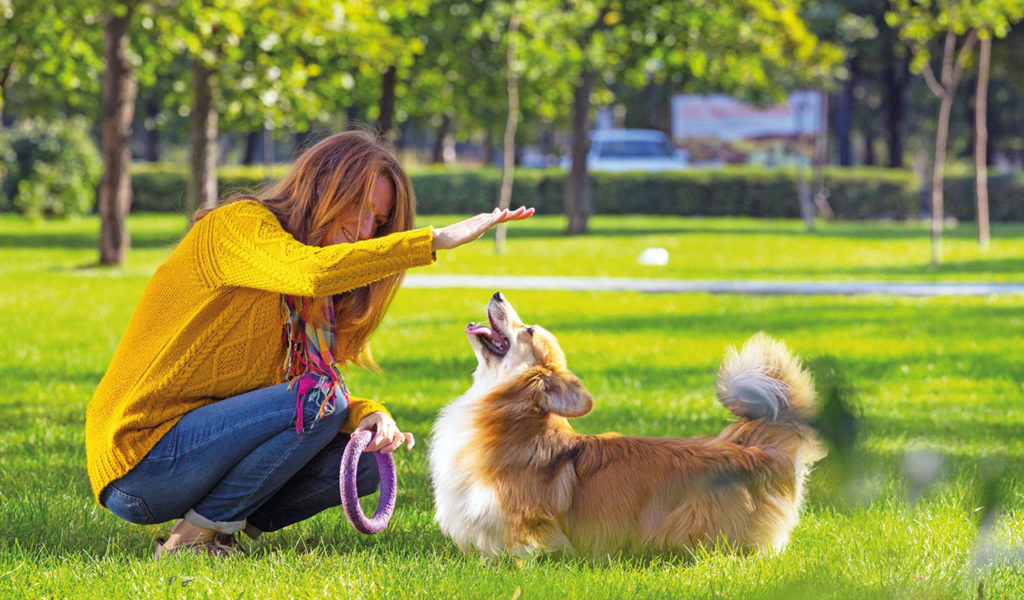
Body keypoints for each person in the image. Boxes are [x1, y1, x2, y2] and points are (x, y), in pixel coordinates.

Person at [85, 130, 533, 557]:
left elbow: (307, 388)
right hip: (141, 459)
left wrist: (370, 416)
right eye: (357, 207)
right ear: (321, 186)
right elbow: (311, 273)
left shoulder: (313, 302)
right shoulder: (238, 226)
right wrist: (432, 241)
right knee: (320, 399)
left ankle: (215, 529)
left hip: (198, 456)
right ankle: (194, 540)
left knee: (363, 464)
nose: (364, 230)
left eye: (377, 222)